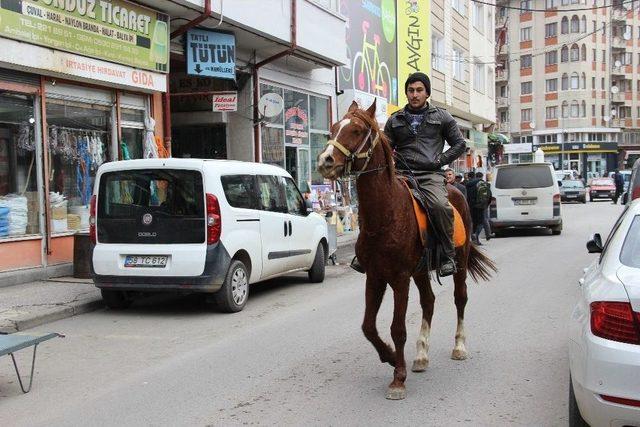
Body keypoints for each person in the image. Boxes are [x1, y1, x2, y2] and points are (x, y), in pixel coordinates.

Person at [352, 72, 466, 277]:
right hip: (401, 174)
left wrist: (440, 161)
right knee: (372, 204)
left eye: (419, 90)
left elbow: (459, 144)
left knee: (439, 205)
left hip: (430, 175)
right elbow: (387, 147)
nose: (415, 94)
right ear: (406, 93)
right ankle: (364, 252)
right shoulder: (395, 119)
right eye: (411, 90)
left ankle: (448, 255)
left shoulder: (442, 117)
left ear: (427, 93)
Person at [466, 172, 492, 245]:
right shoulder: (482, 183)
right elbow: (489, 195)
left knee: (473, 222)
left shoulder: (468, 184)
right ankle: (476, 234)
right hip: (480, 205)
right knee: (480, 222)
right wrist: (486, 204)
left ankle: (475, 240)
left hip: (470, 206)